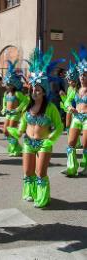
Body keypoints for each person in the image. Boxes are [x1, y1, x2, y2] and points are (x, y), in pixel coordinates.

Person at [8, 47, 63, 208]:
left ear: (44, 92)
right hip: (28, 143)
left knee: (40, 173)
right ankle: (30, 192)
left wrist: (51, 138)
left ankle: (42, 197)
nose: (34, 92)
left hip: (43, 143)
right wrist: (16, 132)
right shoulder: (27, 107)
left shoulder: (50, 108)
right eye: (33, 89)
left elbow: (59, 126)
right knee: (28, 172)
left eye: (38, 90)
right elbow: (23, 124)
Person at [64, 46, 87, 177]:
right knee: (71, 142)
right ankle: (71, 167)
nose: (82, 77)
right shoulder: (75, 89)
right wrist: (69, 107)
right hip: (77, 118)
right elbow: (67, 101)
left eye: (84, 75)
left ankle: (86, 167)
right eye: (80, 75)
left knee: (85, 144)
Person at [2, 60, 29, 157]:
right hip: (8, 114)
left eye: (9, 84)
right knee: (5, 131)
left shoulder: (18, 93)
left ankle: (15, 148)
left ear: (14, 85)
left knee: (12, 131)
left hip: (15, 114)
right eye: (7, 84)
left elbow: (25, 101)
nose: (7, 86)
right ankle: (14, 146)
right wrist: (4, 108)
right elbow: (4, 102)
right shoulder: (6, 93)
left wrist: (18, 109)